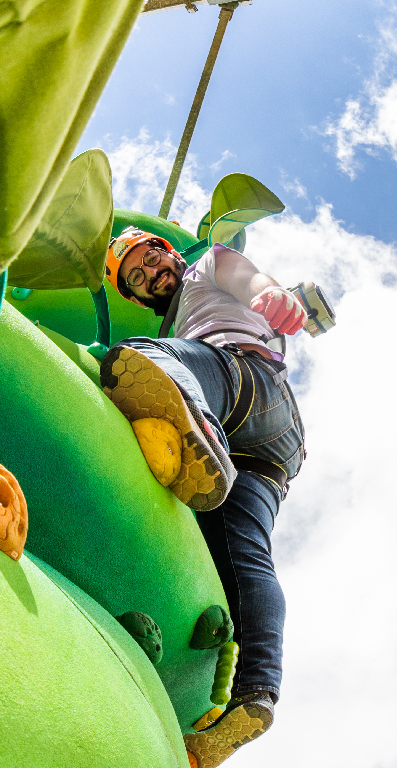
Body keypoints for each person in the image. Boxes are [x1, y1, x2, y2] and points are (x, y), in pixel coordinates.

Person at [100, 227, 307, 767]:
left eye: (149, 260)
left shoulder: (207, 266)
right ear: (140, 297)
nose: (151, 276)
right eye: (138, 282)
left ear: (168, 250)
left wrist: (269, 294)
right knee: (242, 559)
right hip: (275, 451)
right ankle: (256, 694)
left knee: (144, 357)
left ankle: (203, 433)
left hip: (248, 381)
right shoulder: (178, 321)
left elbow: (246, 276)